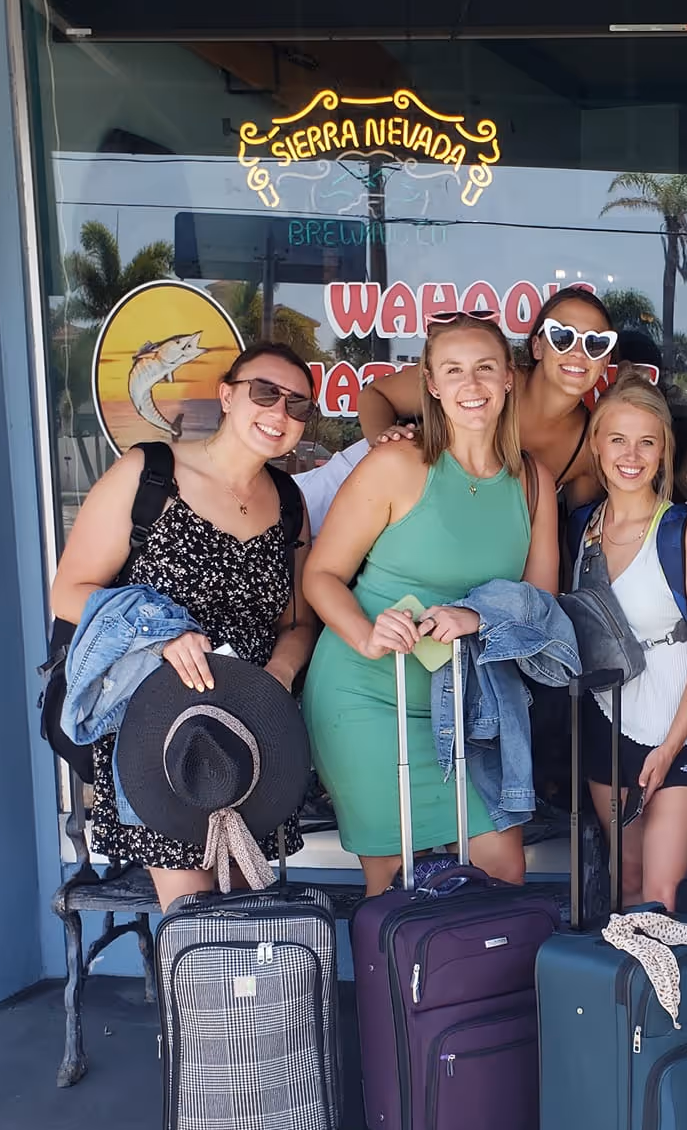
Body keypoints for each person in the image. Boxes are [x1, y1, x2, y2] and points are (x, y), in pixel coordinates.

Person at [49, 341, 317, 911]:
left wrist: (278, 674)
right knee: (196, 916)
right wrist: (163, 634)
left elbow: (297, 620)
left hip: (247, 730)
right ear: (226, 394)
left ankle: (257, 1007)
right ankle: (200, 1005)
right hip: (159, 727)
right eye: (264, 393)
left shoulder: (290, 501)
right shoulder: (150, 474)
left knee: (247, 915)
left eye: (298, 406)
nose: (279, 413)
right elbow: (69, 592)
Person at [301, 313, 559, 894]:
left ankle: (483, 989)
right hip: (368, 696)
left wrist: (478, 617)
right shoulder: (397, 463)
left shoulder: (533, 482)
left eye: (486, 368)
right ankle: (395, 988)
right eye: (454, 371)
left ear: (510, 379)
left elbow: (537, 604)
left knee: (503, 872)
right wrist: (366, 634)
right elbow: (320, 575)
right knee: (399, 885)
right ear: (432, 385)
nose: (472, 385)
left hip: (471, 711)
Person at [572, 371, 687, 911]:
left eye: (647, 441)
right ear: (596, 445)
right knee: (626, 876)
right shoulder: (582, 529)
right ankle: (623, 993)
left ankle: (665, 992)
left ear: (664, 452)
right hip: (606, 713)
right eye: (617, 439)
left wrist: (669, 748)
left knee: (661, 892)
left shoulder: (684, 533)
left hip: (679, 720)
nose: (631, 455)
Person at [357, 287, 618, 511]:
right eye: (562, 337)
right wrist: (385, 442)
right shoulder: (487, 380)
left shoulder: (587, 447)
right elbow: (375, 395)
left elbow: (574, 536)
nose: (578, 353)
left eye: (596, 344)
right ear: (537, 346)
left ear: (605, 360)